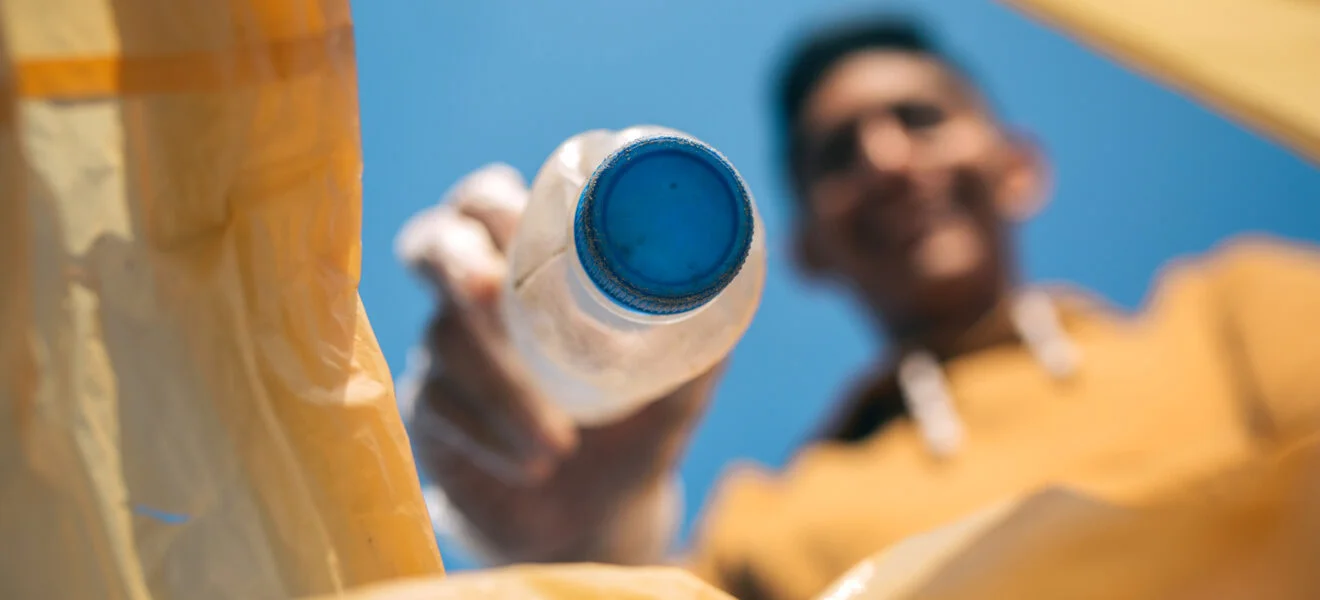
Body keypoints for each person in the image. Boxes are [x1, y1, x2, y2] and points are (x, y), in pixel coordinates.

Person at [398, 15, 1320, 600]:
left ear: (1018, 165)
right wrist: (581, 536)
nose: (884, 160)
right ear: (802, 248)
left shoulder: (1237, 311)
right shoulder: (766, 521)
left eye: (920, 119)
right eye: (838, 156)